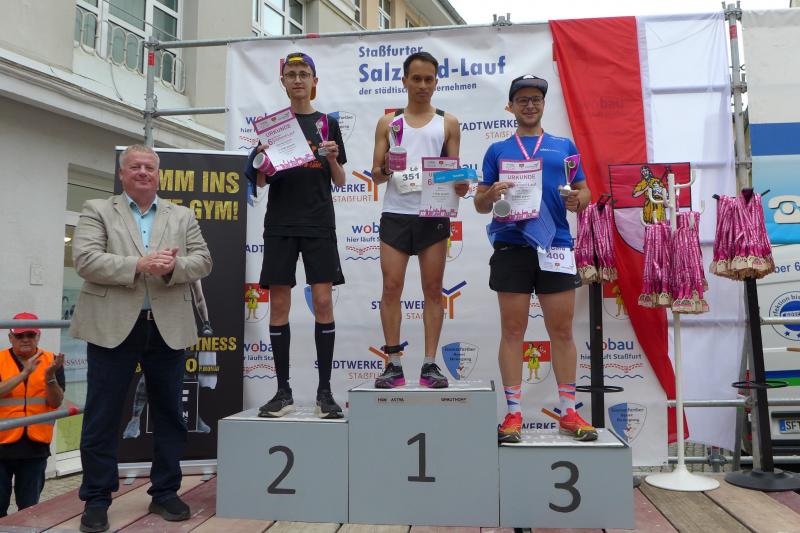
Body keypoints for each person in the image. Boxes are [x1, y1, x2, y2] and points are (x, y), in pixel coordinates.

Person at [70, 144, 212, 532]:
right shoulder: (97, 209)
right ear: (122, 174)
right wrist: (140, 264)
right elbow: (85, 259)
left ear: (159, 174)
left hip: (167, 325)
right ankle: (96, 498)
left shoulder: (182, 215)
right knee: (102, 415)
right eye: (135, 166)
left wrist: (171, 268)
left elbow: (203, 261)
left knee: (170, 413)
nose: (143, 172)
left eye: (150, 166)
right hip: (111, 325)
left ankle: (165, 492)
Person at [474, 74, 597, 443]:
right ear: (511, 106)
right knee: (513, 332)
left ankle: (569, 412)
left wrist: (578, 200)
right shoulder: (497, 150)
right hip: (511, 245)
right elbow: (480, 204)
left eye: (536, 99)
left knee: (562, 331)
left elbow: (584, 191)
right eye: (522, 100)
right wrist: (491, 193)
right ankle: (513, 414)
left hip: (555, 245)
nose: (530, 105)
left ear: (543, 104)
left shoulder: (563, 147)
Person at [244, 52, 347, 419]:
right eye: (292, 74)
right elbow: (260, 181)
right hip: (281, 225)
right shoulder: (273, 127)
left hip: (319, 223)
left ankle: (325, 392)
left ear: (314, 81)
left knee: (323, 302)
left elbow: (340, 180)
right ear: (283, 82)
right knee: (279, 306)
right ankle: (282, 391)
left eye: (304, 74)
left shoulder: (327, 123)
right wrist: (260, 158)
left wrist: (332, 157)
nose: (298, 79)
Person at [370, 51, 468, 389]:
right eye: (416, 79)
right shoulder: (388, 123)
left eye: (429, 79)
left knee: (432, 290)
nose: (423, 85)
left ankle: (429, 364)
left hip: (432, 215)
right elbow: (375, 176)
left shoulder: (448, 123)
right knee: (391, 287)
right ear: (404, 81)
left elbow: (453, 173)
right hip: (396, 213)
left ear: (436, 82)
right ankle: (393, 364)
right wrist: (386, 168)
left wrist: (460, 184)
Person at [0, 313, 64, 517]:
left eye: (30, 334)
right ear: (10, 337)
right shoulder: (0, 360)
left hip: (35, 447)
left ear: (38, 336)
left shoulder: (52, 361)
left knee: (29, 510)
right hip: (1, 445)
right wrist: (24, 374)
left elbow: (55, 402)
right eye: (19, 335)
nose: (25, 339)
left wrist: (50, 377)